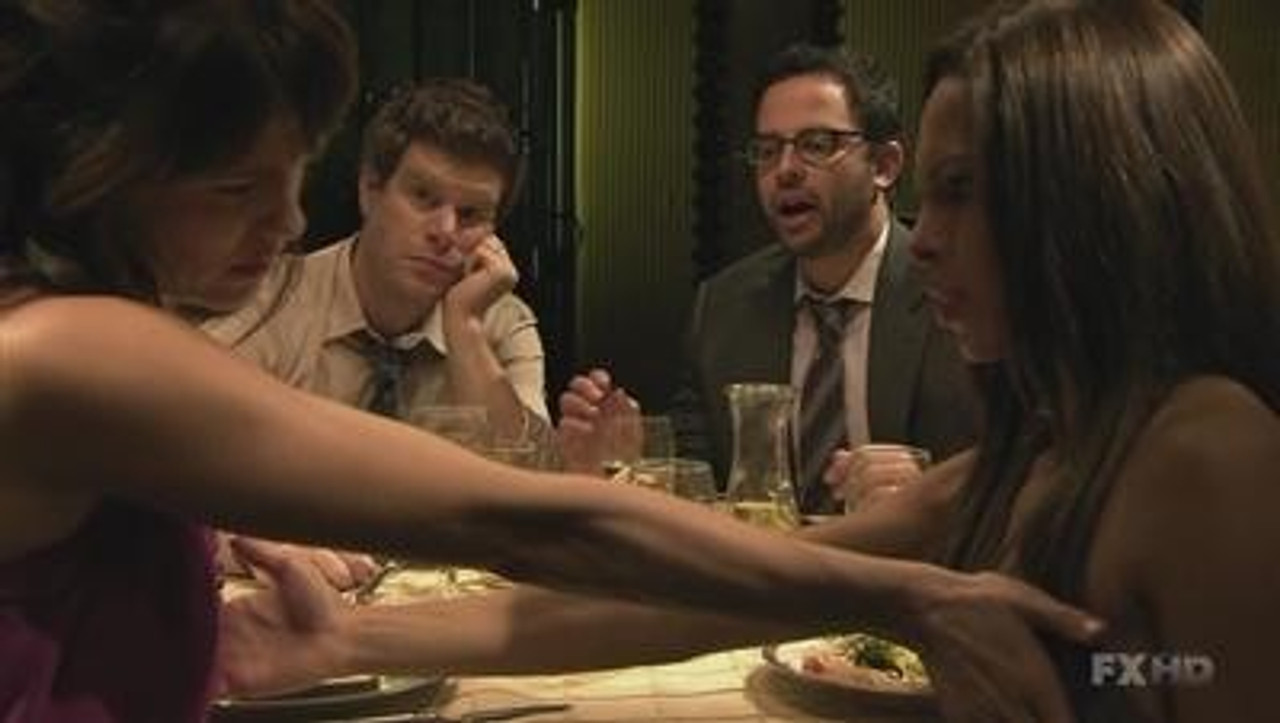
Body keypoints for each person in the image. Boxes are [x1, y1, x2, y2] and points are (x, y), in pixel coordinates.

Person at [0, 2, 1103, 722]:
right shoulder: (69, 351)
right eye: (238, 187)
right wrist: (914, 598)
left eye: (294, 181)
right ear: (107, 169)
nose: (288, 225)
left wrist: (347, 634)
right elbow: (536, 520)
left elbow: (676, 579)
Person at [220, 1, 1279, 722]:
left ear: (1088, 200)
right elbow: (705, 597)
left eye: (962, 192)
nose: (926, 240)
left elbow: (1200, 673)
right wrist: (346, 638)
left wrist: (1097, 666)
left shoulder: (1207, 449)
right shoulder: (1036, 451)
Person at [559, 44, 975, 514]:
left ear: (883, 165)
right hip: (764, 561)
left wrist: (933, 492)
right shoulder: (724, 307)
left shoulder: (958, 290)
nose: (786, 170)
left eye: (816, 145)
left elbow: (1020, 471)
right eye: (767, 151)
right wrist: (635, 465)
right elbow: (702, 488)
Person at [204, 78, 550, 448]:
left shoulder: (500, 323)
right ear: (369, 190)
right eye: (423, 197)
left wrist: (466, 329)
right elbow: (192, 437)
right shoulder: (271, 299)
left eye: (470, 214)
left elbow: (529, 471)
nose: (445, 231)